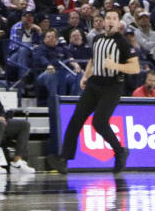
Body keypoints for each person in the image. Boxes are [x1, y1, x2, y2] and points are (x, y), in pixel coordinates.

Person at [50, 9, 138, 174]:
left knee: (99, 122)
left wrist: (115, 66)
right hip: (94, 83)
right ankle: (64, 159)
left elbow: (135, 68)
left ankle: (120, 151)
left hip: (112, 86)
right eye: (108, 18)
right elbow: (93, 60)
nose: (110, 21)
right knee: (76, 119)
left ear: (119, 23)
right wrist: (85, 76)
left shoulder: (123, 43)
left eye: (114, 18)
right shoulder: (97, 39)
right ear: (104, 22)